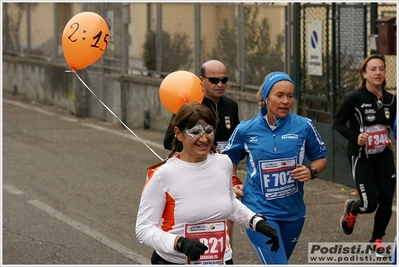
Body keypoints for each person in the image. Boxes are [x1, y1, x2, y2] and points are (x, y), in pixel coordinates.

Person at [136, 102, 279, 265]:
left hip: (221, 260)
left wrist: (255, 221)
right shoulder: (162, 175)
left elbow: (229, 203)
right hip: (175, 261)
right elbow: (144, 229)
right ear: (178, 133)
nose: (204, 139)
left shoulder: (223, 162)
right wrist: (179, 243)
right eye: (195, 132)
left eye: (209, 131)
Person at [222, 71, 327, 264]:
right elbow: (227, 160)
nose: (286, 101)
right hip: (259, 210)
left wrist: (311, 171)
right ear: (265, 97)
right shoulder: (246, 129)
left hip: (293, 212)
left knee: (278, 261)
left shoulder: (304, 126)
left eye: (290, 96)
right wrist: (234, 181)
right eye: (279, 95)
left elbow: (320, 158)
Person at [163, 59, 242, 246]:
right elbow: (169, 141)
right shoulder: (191, 106)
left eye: (225, 80)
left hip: (224, 175)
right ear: (201, 80)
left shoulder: (231, 106)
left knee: (226, 227)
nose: (220, 84)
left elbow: (237, 142)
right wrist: (201, 145)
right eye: (214, 80)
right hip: (194, 174)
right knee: (199, 225)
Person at [333, 54, 396, 253]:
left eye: (381, 69)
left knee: (386, 199)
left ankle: (376, 239)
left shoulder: (391, 99)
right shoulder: (355, 98)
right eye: (373, 69)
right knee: (370, 204)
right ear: (364, 74)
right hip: (362, 157)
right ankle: (352, 208)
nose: (378, 73)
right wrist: (355, 137)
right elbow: (338, 123)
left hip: (384, 156)